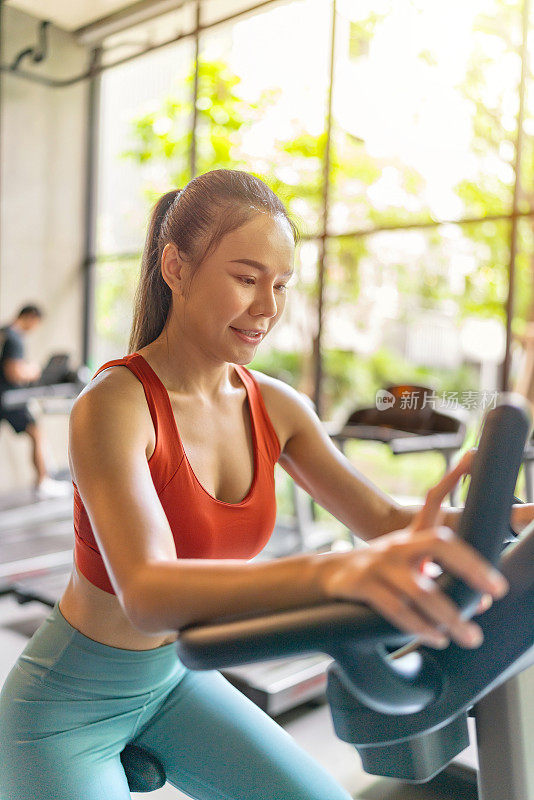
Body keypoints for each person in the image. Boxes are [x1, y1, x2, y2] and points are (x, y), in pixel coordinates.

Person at [0, 170, 526, 800]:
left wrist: (517, 519)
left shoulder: (275, 406)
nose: (268, 308)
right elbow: (146, 589)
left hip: (175, 681)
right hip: (66, 709)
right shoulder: (114, 404)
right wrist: (333, 574)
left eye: (279, 285)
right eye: (246, 279)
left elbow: (386, 521)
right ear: (174, 266)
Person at [0, 304, 71, 499]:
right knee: (36, 433)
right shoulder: (15, 338)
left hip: (5, 397)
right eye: (36, 324)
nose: (34, 328)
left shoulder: (3, 333)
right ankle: (43, 482)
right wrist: (32, 370)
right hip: (9, 398)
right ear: (30, 317)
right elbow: (13, 372)